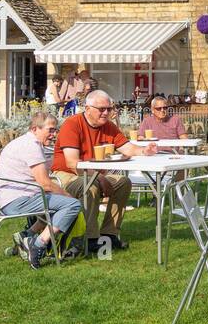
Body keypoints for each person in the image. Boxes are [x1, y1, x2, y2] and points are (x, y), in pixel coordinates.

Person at [50, 89, 155, 252]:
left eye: (109, 109)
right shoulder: (72, 124)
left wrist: (144, 151)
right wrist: (100, 178)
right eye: (102, 109)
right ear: (88, 108)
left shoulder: (108, 126)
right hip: (67, 175)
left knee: (124, 182)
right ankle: (90, 238)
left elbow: (127, 147)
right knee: (90, 187)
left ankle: (110, 234)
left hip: (94, 174)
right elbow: (72, 162)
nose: (106, 113)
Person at [0, 111, 83, 268]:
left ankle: (26, 235)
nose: (54, 134)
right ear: (35, 129)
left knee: (56, 204)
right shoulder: (32, 146)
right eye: (50, 130)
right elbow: (45, 184)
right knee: (73, 205)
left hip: (10, 198)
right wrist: (68, 195)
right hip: (18, 201)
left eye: (55, 130)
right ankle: (37, 245)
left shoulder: (24, 142)